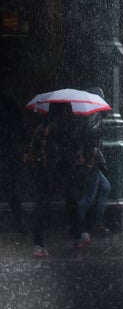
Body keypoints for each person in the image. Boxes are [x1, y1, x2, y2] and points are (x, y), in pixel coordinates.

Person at [29, 103, 88, 257]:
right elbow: (71, 149)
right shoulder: (65, 127)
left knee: (41, 206)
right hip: (63, 172)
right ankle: (77, 236)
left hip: (43, 172)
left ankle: (38, 244)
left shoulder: (42, 127)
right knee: (71, 202)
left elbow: (35, 150)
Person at [0, 94, 27, 234]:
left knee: (11, 190)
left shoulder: (8, 106)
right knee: (12, 190)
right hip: (10, 154)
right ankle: (19, 223)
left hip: (8, 154)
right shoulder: (11, 106)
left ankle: (19, 223)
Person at [77, 146, 111, 234]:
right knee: (88, 197)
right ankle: (77, 224)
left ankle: (97, 222)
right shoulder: (89, 139)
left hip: (93, 165)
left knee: (105, 187)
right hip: (90, 166)